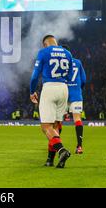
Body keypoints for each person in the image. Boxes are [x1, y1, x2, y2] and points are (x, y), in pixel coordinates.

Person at [29, 35, 73, 168]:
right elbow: (70, 75)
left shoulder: (44, 52)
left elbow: (35, 75)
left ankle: (61, 150)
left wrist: (32, 91)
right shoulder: (67, 53)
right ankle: (50, 160)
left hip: (49, 88)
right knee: (56, 126)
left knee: (46, 127)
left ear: (45, 44)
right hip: (64, 88)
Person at [62, 45, 86, 155]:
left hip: (63, 94)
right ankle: (79, 146)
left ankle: (57, 145)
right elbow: (84, 80)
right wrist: (77, 88)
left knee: (58, 120)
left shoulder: (60, 62)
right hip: (76, 94)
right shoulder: (78, 62)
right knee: (77, 119)